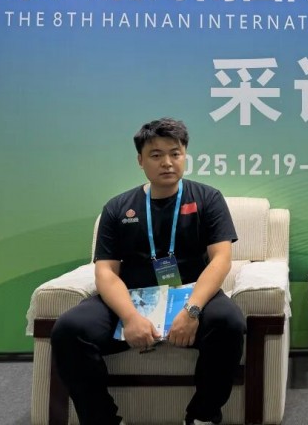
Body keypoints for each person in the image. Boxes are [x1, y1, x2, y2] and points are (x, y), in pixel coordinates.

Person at [50, 117, 245, 425]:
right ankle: (103, 420)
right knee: (69, 329)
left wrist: (192, 311)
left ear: (185, 155)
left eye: (175, 153)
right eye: (156, 155)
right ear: (140, 160)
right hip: (131, 297)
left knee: (229, 323)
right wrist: (129, 317)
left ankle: (203, 415)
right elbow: (106, 271)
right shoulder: (118, 207)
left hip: (191, 294)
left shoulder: (208, 198)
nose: (167, 162)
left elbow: (221, 259)